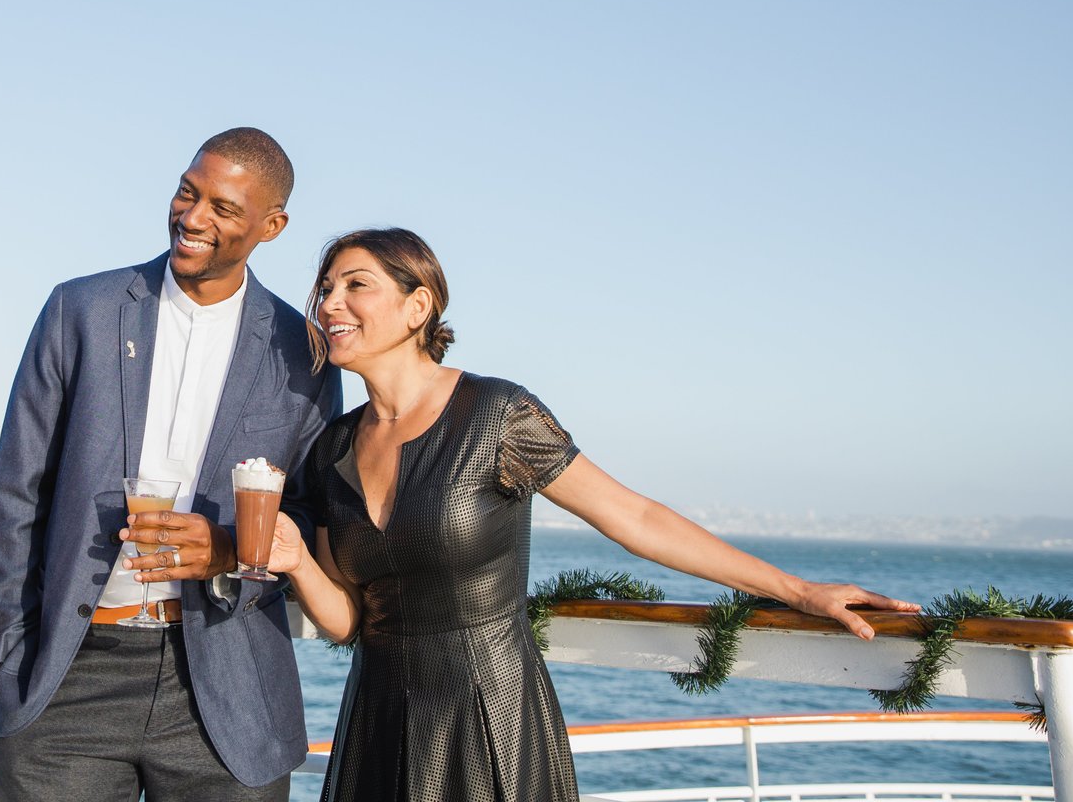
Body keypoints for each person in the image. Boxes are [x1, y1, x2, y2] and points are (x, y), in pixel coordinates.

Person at [267, 228, 923, 802]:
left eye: (356, 285)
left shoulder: (497, 414)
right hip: (377, 721)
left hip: (490, 713)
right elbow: (348, 620)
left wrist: (797, 590)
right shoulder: (331, 449)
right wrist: (295, 560)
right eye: (324, 289)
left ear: (418, 305)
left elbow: (634, 517)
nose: (329, 305)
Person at [0, 128, 343, 802]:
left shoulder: (304, 352)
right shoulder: (79, 310)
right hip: (70, 680)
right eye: (186, 192)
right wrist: (11, 654)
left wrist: (230, 549)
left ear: (272, 225)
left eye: (223, 209)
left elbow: (308, 512)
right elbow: (17, 490)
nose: (193, 217)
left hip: (228, 686)